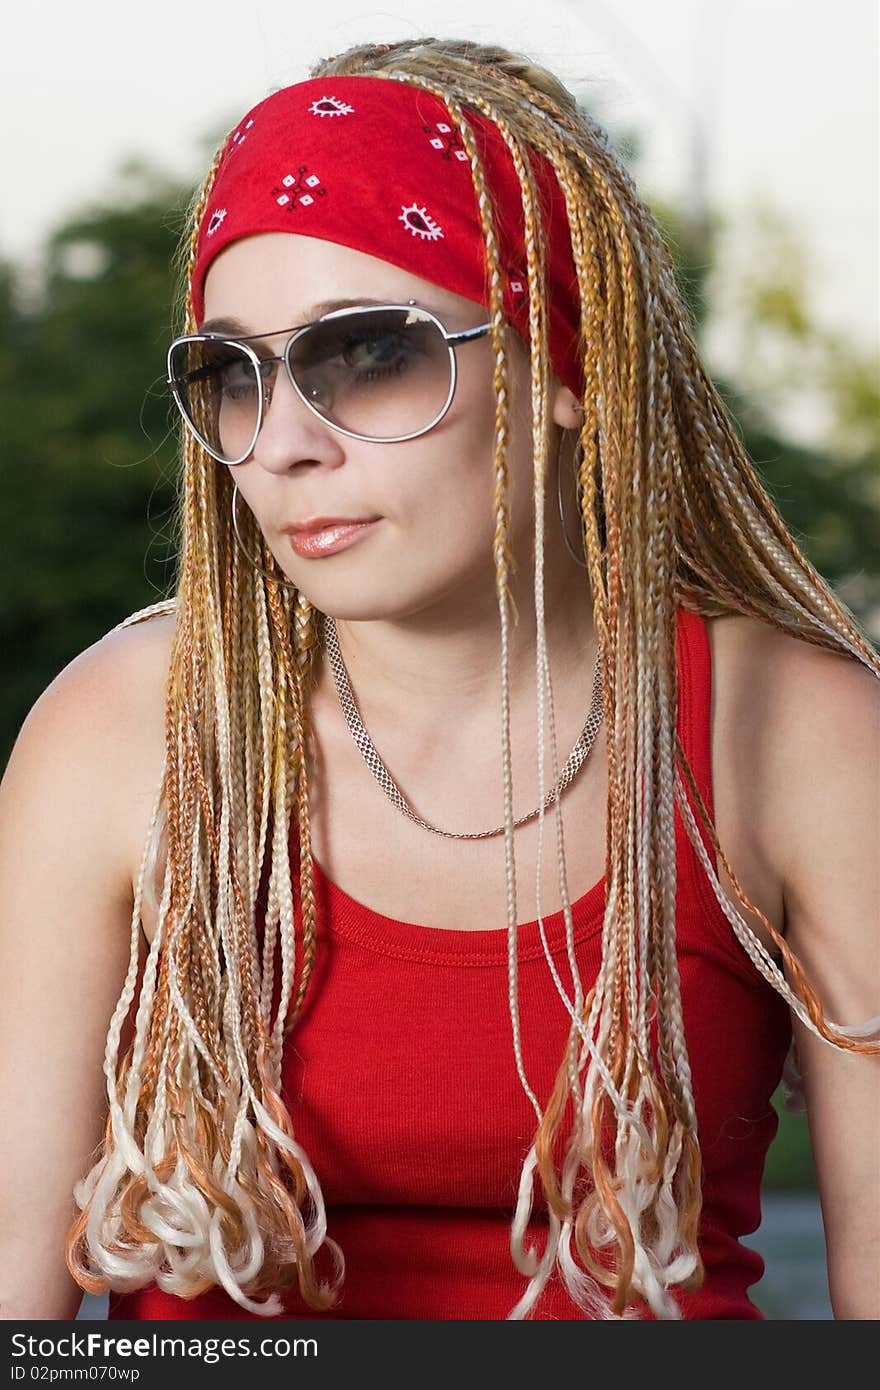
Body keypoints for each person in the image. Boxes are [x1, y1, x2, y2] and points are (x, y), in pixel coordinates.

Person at [0, 37, 877, 1324]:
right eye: (229, 374)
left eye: (371, 353)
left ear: (566, 365)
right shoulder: (124, 732)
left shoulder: (800, 736)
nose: (285, 443)